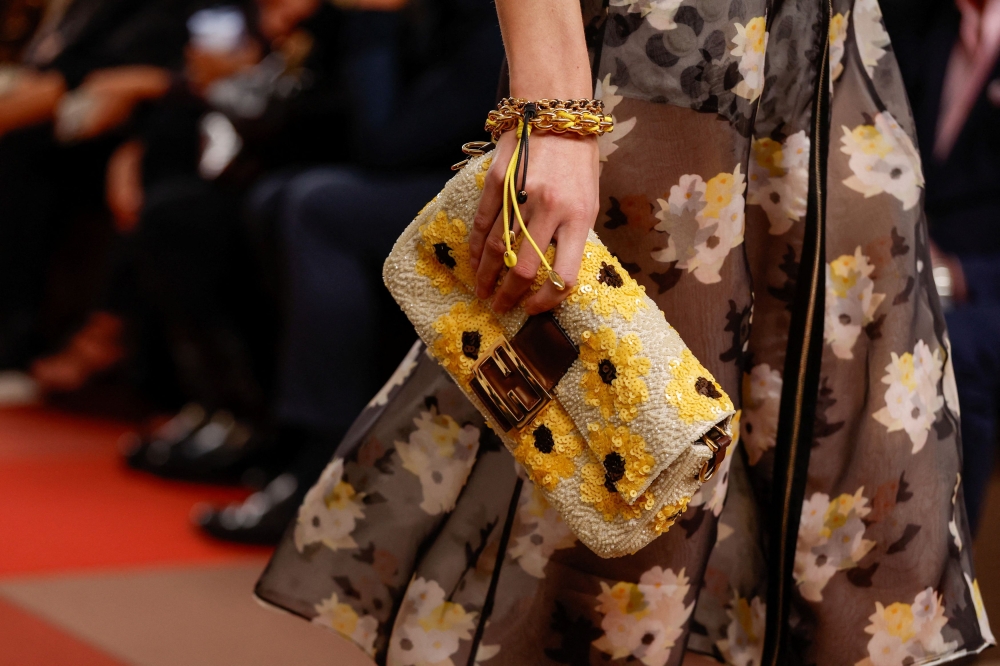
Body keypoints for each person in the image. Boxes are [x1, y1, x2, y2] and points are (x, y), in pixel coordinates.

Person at [255, 0, 994, 664]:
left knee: (850, 512)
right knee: (620, 492)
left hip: (839, 76)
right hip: (673, 59)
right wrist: (550, 109)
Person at [883, 0, 1000, 535]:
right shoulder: (914, 20)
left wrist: (955, 277)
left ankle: (944, 558)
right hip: (896, 256)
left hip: (982, 288)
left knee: (947, 346)